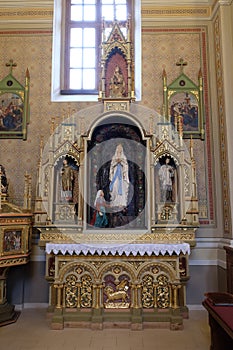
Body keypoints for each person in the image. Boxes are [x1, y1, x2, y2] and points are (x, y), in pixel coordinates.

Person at [109, 144, 129, 209]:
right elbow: (111, 166)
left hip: (121, 176)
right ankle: (114, 201)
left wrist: (121, 162)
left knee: (121, 187)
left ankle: (121, 202)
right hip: (115, 175)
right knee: (114, 186)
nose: (119, 149)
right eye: (118, 148)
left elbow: (126, 166)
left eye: (120, 148)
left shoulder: (124, 157)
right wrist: (116, 162)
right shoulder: (114, 157)